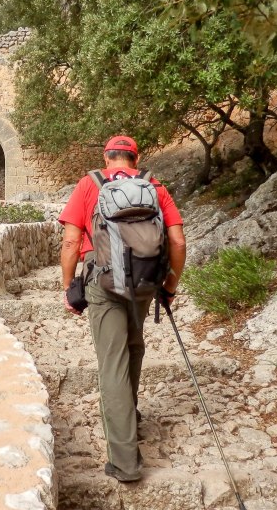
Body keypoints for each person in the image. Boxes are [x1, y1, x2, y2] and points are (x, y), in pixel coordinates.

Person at [59, 135, 186, 482]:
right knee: (134, 346)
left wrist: (70, 286)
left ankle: (125, 462)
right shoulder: (153, 185)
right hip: (145, 282)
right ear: (136, 158)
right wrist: (170, 286)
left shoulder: (90, 184)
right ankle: (129, 418)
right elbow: (177, 241)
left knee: (112, 362)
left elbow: (71, 242)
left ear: (107, 157)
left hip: (102, 283)